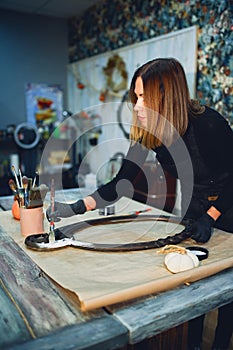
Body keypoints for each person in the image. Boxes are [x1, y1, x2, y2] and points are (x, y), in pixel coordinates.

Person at [47, 58, 233, 350]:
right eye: (136, 96)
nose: (136, 105)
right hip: (195, 208)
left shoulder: (209, 125)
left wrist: (211, 216)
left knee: (227, 291)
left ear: (165, 96)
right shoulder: (150, 132)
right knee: (194, 279)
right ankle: (194, 344)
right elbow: (120, 184)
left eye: (143, 97)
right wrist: (76, 207)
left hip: (228, 206)